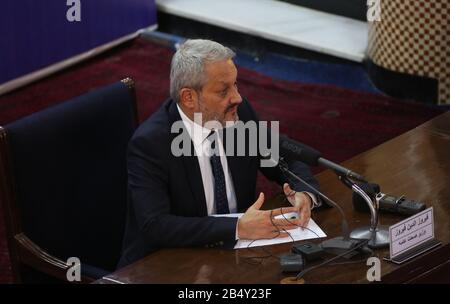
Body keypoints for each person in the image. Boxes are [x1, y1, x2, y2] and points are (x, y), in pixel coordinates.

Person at [117, 39, 321, 268]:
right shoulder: (151, 143)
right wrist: (236, 228)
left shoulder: (237, 114)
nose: (237, 97)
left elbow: (286, 156)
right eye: (224, 90)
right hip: (166, 265)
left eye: (236, 85)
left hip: (238, 259)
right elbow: (155, 225)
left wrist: (305, 193)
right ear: (189, 98)